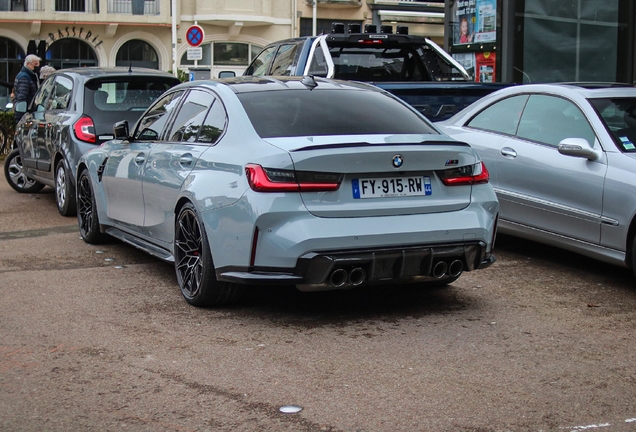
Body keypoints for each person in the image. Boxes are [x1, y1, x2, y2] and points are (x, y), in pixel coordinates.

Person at [13, 54, 40, 122]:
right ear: (28, 64)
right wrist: (23, 115)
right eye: (35, 64)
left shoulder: (28, 76)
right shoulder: (25, 78)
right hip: (25, 114)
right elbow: (22, 97)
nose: (37, 66)